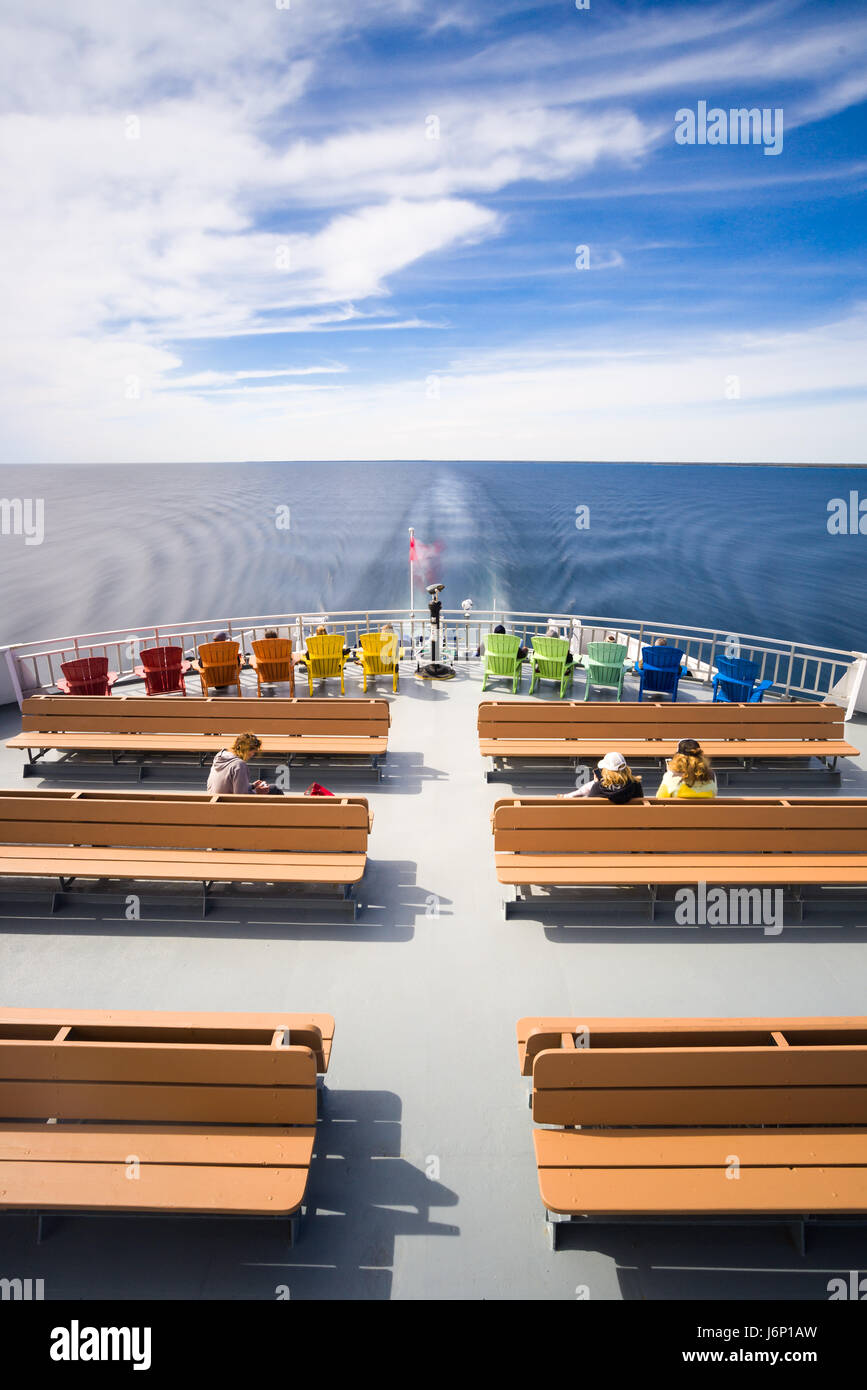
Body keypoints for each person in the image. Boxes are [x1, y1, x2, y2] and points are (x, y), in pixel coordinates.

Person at [207, 732, 282, 795]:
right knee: (275, 789)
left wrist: (252, 786)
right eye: (251, 752)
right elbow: (241, 797)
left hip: (214, 802)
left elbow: (228, 786)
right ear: (245, 750)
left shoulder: (220, 756)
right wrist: (257, 792)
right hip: (229, 807)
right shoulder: (239, 765)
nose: (252, 755)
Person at [561, 752, 644, 803]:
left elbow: (590, 809)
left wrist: (595, 783)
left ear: (606, 770)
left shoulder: (598, 788)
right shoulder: (636, 785)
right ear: (626, 768)